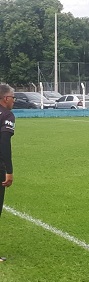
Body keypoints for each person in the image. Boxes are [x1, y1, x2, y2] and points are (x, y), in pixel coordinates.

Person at [0, 84, 16, 262]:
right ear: (5, 98)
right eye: (13, 97)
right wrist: (9, 171)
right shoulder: (7, 115)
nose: (14, 100)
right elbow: (4, 143)